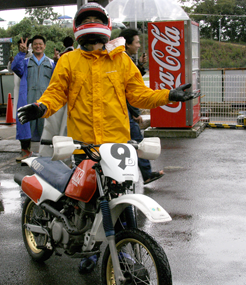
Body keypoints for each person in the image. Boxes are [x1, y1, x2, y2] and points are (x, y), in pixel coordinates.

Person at [18, 2, 197, 273]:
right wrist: (41, 107)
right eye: (86, 18)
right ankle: (89, 252)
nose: (91, 22)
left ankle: (119, 251)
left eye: (95, 18)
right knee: (87, 203)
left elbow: (139, 95)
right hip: (84, 147)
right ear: (79, 27)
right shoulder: (68, 61)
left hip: (118, 147)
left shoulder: (121, 59)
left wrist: (169, 95)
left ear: (105, 25)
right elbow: (56, 94)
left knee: (123, 201)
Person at [119, 28, 164, 185]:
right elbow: (128, 91)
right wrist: (135, 113)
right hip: (125, 111)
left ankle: (135, 176)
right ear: (127, 44)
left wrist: (139, 65)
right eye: (136, 42)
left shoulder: (122, 58)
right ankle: (144, 175)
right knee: (137, 141)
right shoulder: (122, 58)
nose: (138, 45)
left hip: (124, 111)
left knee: (127, 143)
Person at [11, 35, 56, 161]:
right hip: (28, 98)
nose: (38, 46)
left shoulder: (51, 63)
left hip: (45, 100)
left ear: (44, 46)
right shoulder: (25, 62)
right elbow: (15, 67)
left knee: (46, 126)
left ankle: (47, 154)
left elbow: (58, 78)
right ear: (32, 46)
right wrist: (21, 53)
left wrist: (58, 61)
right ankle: (25, 152)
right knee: (26, 124)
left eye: (40, 44)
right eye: (35, 44)